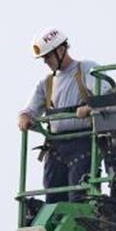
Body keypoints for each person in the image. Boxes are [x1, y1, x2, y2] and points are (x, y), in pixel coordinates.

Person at [18, 27, 100, 204]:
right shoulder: (46, 83)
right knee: (54, 201)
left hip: (83, 143)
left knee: (80, 199)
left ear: (61, 50)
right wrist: (24, 117)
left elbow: (105, 94)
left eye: (48, 56)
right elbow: (29, 110)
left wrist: (89, 107)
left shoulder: (86, 69)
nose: (45, 62)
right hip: (56, 147)